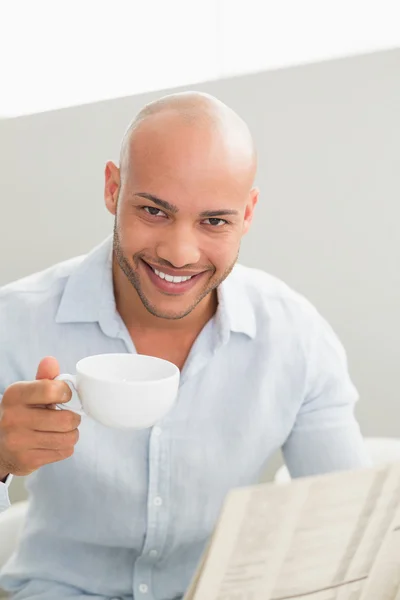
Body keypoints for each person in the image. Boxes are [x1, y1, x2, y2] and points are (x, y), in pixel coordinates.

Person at [0, 92, 369, 600]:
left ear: (248, 213)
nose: (179, 252)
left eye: (214, 221)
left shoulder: (295, 338)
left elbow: (344, 528)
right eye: (154, 210)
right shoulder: (13, 322)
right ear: (113, 188)